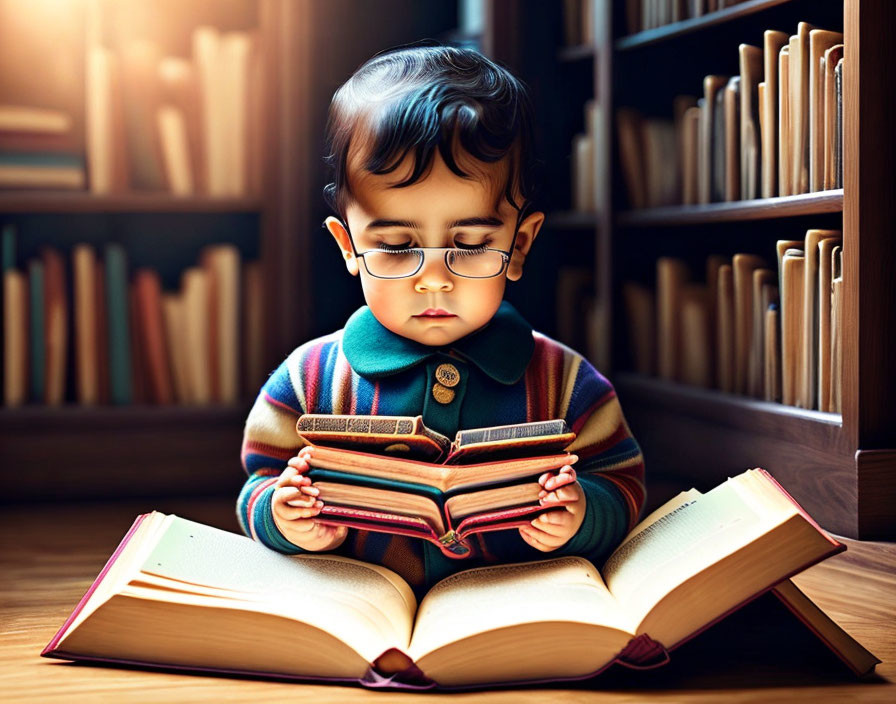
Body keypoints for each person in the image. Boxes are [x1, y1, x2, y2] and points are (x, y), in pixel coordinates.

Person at [238, 42, 645, 594]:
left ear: (519, 244)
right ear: (347, 245)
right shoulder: (308, 380)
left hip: (516, 606)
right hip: (359, 604)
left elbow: (621, 483)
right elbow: (261, 482)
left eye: (471, 243)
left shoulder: (567, 384)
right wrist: (284, 521)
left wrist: (583, 516)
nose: (434, 279)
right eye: (398, 246)